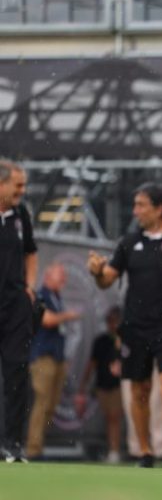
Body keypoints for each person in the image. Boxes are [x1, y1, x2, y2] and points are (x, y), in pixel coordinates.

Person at [87, 182, 162, 468]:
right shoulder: (128, 243)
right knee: (139, 390)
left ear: (159, 208)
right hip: (134, 327)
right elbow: (107, 280)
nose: (135, 211)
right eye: (135, 205)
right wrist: (97, 272)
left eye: (141, 205)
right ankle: (144, 451)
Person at [0, 159, 38, 463]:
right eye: (18, 185)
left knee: (17, 373)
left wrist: (30, 287)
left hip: (14, 305)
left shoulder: (20, 214)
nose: (22, 191)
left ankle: (11, 445)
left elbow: (31, 252)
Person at [26, 262, 81, 460]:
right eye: (60, 275)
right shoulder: (41, 295)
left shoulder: (57, 297)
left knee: (50, 405)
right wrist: (68, 315)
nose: (64, 279)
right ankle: (33, 449)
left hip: (57, 358)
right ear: (48, 276)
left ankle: (38, 445)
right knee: (42, 402)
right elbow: (47, 320)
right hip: (43, 357)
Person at [75, 306, 123, 464]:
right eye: (111, 321)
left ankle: (115, 450)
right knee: (109, 418)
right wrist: (83, 386)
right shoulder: (100, 341)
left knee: (114, 417)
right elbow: (91, 365)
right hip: (103, 385)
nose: (113, 325)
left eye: (116, 321)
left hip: (119, 386)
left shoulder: (126, 341)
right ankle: (112, 450)